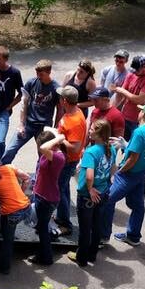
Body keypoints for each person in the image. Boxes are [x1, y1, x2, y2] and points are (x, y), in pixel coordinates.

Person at [101, 103, 145, 246]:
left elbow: (133, 158)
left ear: (144, 114)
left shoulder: (139, 132)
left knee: (107, 200)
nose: (138, 112)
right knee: (138, 205)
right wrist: (126, 145)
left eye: (141, 111)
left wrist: (120, 171)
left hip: (129, 173)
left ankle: (102, 236)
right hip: (141, 172)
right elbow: (141, 151)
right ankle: (133, 236)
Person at [67, 120, 116, 267]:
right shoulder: (111, 149)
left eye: (92, 129)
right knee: (97, 226)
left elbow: (89, 176)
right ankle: (92, 255)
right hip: (103, 193)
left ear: (99, 134)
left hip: (88, 196)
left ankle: (81, 258)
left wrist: (90, 189)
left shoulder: (91, 152)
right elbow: (114, 168)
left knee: (85, 229)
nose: (89, 130)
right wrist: (106, 183)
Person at [0, 59, 60, 165]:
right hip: (28, 124)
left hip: (44, 127)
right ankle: (2, 171)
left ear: (49, 72)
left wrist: (54, 129)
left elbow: (60, 110)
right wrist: (21, 124)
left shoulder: (56, 88)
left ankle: (38, 179)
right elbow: (24, 103)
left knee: (43, 156)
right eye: (37, 73)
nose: (38, 76)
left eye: (41, 74)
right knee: (10, 149)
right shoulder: (31, 83)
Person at [0, 155, 31, 274]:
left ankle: (4, 267)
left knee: (8, 240)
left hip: (12, 213)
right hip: (26, 207)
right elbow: (27, 178)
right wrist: (21, 192)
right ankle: (4, 229)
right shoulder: (9, 168)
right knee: (5, 217)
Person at [53, 86, 88, 236]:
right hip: (66, 160)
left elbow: (75, 148)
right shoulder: (74, 111)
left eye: (60, 98)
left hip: (68, 161)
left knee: (60, 189)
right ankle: (62, 216)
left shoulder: (75, 121)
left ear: (64, 101)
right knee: (63, 188)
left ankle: (65, 224)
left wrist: (60, 138)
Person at [30, 130, 68, 266]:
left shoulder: (58, 157)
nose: (39, 148)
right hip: (41, 195)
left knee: (42, 229)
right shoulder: (49, 154)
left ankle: (46, 258)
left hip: (47, 199)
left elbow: (43, 148)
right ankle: (42, 253)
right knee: (41, 227)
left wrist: (58, 138)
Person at [114, 55, 145, 140]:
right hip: (125, 115)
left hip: (138, 119)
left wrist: (123, 91)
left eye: (137, 70)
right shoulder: (132, 73)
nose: (134, 72)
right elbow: (123, 90)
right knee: (122, 144)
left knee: (134, 146)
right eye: (133, 69)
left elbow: (140, 100)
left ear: (144, 67)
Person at [0, 46, 24, 160]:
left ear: (5, 59)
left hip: (3, 112)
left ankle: (0, 165)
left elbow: (22, 93)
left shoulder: (14, 73)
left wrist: (10, 106)